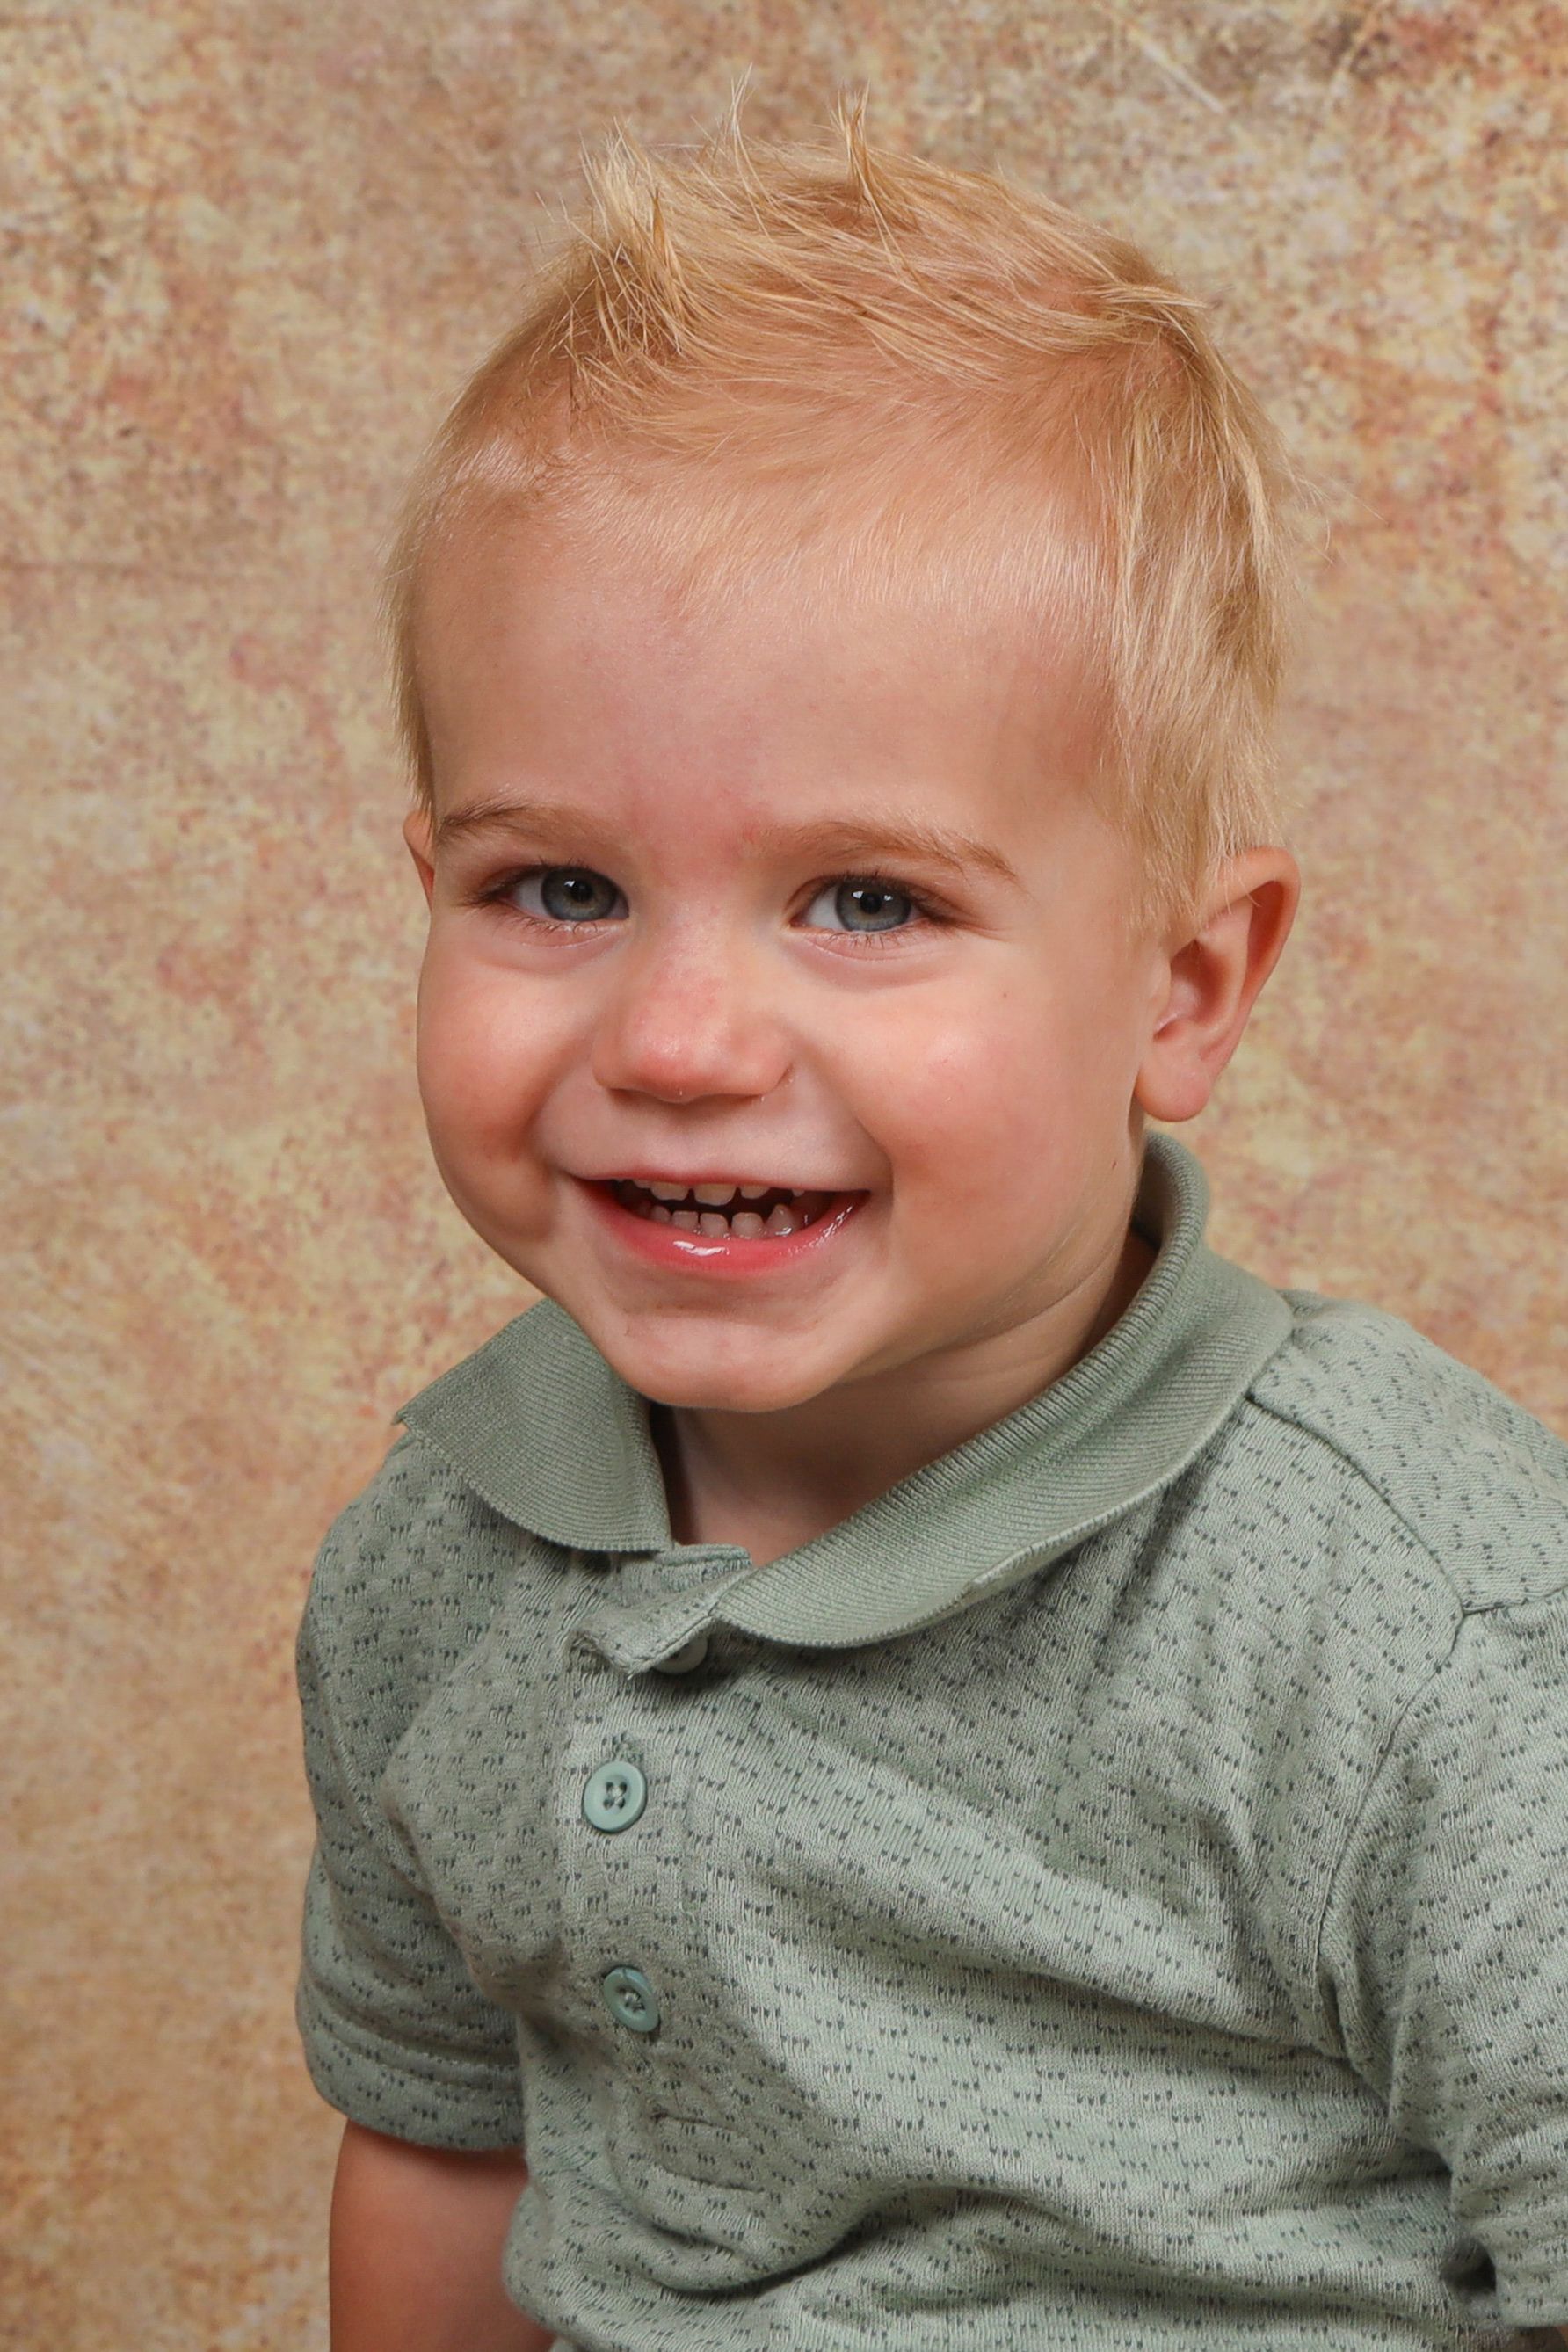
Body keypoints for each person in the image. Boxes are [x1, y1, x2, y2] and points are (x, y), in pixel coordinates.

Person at [294, 93, 1568, 2352]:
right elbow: (444, 2144)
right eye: (557, 888)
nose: (679, 1035)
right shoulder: (435, 1569)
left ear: (1182, 988)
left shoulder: (1404, 1618)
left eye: (865, 900)